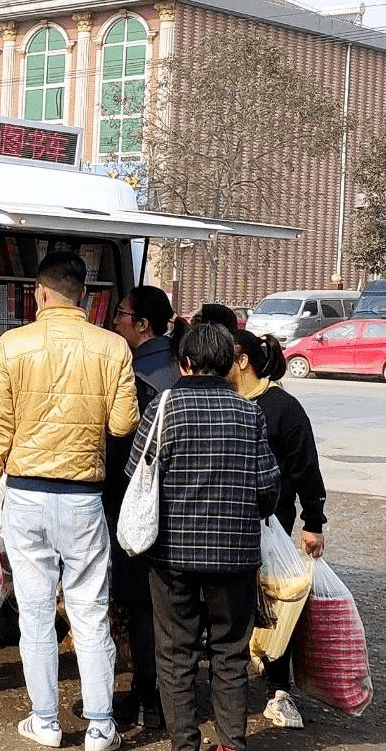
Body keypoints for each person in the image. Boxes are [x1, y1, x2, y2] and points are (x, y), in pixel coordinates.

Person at [0, 251, 139, 751]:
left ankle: (45, 720)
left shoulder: (12, 345)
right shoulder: (112, 347)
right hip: (83, 498)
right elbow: (123, 424)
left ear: (39, 293)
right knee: (90, 612)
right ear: (84, 295)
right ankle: (101, 726)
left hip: (24, 494)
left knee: (36, 612)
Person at [127, 324, 280, 751]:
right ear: (231, 364)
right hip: (234, 556)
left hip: (171, 555)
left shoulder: (164, 408)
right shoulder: (250, 414)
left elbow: (135, 476)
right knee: (231, 654)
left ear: (184, 363)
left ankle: (185, 745)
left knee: (176, 654)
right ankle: (231, 743)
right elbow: (268, 487)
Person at [228, 328, 327, 730]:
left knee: (276, 604)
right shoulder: (224, 403)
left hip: (272, 526)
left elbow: (306, 467)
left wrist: (314, 522)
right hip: (226, 527)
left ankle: (278, 690)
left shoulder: (284, 408)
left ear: (241, 361)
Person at [105, 285, 187, 729]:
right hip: (183, 509)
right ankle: (167, 700)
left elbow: (122, 452)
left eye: (121, 314)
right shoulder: (181, 364)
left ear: (143, 324)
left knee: (141, 603)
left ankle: (147, 695)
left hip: (137, 506)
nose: (115, 321)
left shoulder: (138, 376)